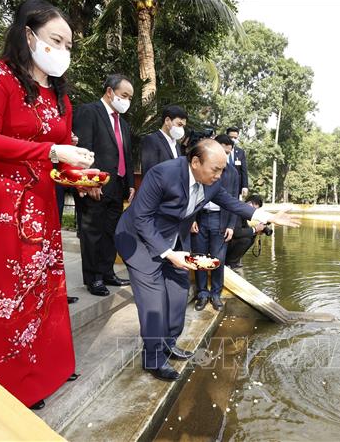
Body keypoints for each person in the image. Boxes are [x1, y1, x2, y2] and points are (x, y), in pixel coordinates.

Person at [0, 1, 94, 410]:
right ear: (29, 36)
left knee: (41, 286)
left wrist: (74, 168)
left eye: (68, 44)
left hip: (41, 200)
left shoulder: (58, 94)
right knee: (5, 289)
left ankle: (44, 368)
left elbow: (54, 147)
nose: (63, 49)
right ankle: (8, 380)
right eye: (55, 40)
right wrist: (52, 150)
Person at [115, 139, 299, 382]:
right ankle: (153, 360)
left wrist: (268, 217)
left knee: (179, 294)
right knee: (154, 305)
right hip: (137, 241)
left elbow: (232, 203)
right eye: (216, 169)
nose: (220, 175)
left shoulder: (212, 182)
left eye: (223, 169)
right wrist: (169, 254)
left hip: (171, 242)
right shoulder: (163, 174)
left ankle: (168, 344)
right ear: (195, 162)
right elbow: (141, 219)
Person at [73, 73, 135, 296]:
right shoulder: (89, 112)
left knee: (111, 232)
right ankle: (94, 278)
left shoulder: (124, 125)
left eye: (130, 97)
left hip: (117, 187)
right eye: (124, 95)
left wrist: (129, 183)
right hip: (95, 186)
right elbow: (84, 151)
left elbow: (126, 156)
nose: (127, 100)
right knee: (92, 233)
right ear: (110, 92)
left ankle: (107, 272)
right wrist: (90, 181)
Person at [191, 135, 239, 312]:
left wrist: (231, 226)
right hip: (200, 217)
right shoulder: (203, 168)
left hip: (221, 220)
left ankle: (216, 294)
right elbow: (193, 193)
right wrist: (192, 219)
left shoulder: (233, 172)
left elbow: (234, 200)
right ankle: (202, 293)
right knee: (200, 257)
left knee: (218, 259)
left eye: (228, 152)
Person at [140, 105, 187, 176]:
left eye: (183, 126)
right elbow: (149, 173)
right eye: (179, 124)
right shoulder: (152, 140)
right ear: (167, 120)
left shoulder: (176, 145)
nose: (181, 129)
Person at [225, 195, 267, 269]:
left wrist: (256, 231)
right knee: (246, 240)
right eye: (254, 209)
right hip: (224, 239)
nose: (253, 212)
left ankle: (233, 261)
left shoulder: (242, 212)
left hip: (228, 240)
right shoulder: (237, 211)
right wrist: (255, 229)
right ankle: (230, 262)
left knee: (251, 237)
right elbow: (237, 233)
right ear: (249, 203)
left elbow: (246, 229)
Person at [226, 126, 249, 199]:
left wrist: (245, 186)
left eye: (235, 138)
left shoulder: (240, 152)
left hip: (236, 185)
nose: (233, 139)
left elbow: (244, 171)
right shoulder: (220, 150)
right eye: (231, 137)